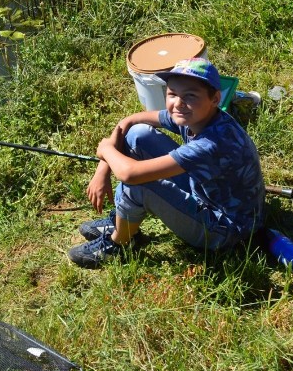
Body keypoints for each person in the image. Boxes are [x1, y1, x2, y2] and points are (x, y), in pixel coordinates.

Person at [67, 58, 266, 269]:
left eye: (190, 95)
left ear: (215, 98)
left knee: (140, 184)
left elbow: (130, 174)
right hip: (206, 193)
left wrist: (106, 150)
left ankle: (121, 244)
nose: (178, 103)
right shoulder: (197, 115)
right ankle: (122, 220)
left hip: (226, 230)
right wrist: (102, 169)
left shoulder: (211, 144)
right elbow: (130, 122)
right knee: (138, 134)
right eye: (172, 94)